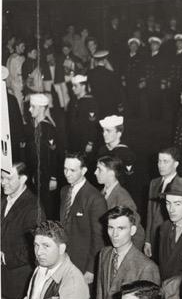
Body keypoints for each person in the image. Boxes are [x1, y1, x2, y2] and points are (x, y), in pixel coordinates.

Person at [93, 206, 160, 299]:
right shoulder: (104, 254)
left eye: (121, 228)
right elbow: (100, 295)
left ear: (133, 230)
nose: (114, 234)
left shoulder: (146, 267)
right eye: (111, 228)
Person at [1, 162, 45, 299]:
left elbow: (35, 248)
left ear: (23, 179)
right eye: (1, 178)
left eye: (9, 179)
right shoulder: (3, 201)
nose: (3, 183)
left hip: (17, 283)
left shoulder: (33, 207)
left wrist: (5, 258)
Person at [59, 152, 107, 283]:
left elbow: (99, 238)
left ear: (84, 170)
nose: (67, 174)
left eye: (72, 170)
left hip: (83, 264)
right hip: (64, 260)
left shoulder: (95, 198)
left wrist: (91, 269)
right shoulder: (64, 191)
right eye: (65, 169)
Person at [144, 147, 182, 257]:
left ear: (176, 164)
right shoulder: (154, 183)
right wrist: (148, 240)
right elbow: (150, 213)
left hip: (172, 241)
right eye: (159, 161)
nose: (161, 165)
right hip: (154, 239)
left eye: (165, 161)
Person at [94, 155, 145, 248]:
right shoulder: (100, 193)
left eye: (99, 169)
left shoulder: (123, 198)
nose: (95, 172)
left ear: (111, 173)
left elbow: (137, 232)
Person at [26, 93, 59, 219]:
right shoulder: (36, 127)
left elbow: (53, 155)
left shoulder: (47, 128)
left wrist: (53, 178)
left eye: (32, 107)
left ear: (40, 108)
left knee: (48, 208)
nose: (29, 110)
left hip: (47, 175)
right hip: (38, 174)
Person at [66, 74, 98, 154]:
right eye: (72, 86)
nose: (72, 88)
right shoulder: (72, 101)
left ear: (83, 87)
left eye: (75, 86)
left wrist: (90, 143)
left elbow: (93, 124)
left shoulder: (91, 102)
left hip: (84, 140)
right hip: (73, 139)